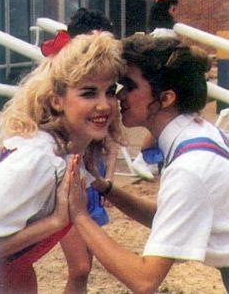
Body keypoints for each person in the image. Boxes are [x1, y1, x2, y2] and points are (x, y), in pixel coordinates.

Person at [67, 34, 229, 293]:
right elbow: (166, 217)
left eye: (129, 86)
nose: (120, 96)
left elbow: (144, 280)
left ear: (166, 98)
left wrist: (79, 215)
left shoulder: (189, 167)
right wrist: (103, 187)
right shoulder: (199, 133)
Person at [0, 30, 124, 294]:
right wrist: (55, 222)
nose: (104, 105)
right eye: (89, 93)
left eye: (110, 91)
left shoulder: (67, 153)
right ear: (57, 101)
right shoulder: (40, 160)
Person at [59, 8, 119, 294]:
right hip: (65, 177)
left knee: (86, 267)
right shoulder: (63, 85)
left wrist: (106, 181)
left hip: (91, 176)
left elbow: (111, 138)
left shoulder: (104, 86)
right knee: (80, 265)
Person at [132, 0, 179, 180]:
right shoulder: (167, 35)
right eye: (174, 9)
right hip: (164, 85)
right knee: (164, 122)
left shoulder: (155, 33)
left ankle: (151, 159)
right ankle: (143, 158)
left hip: (160, 84)